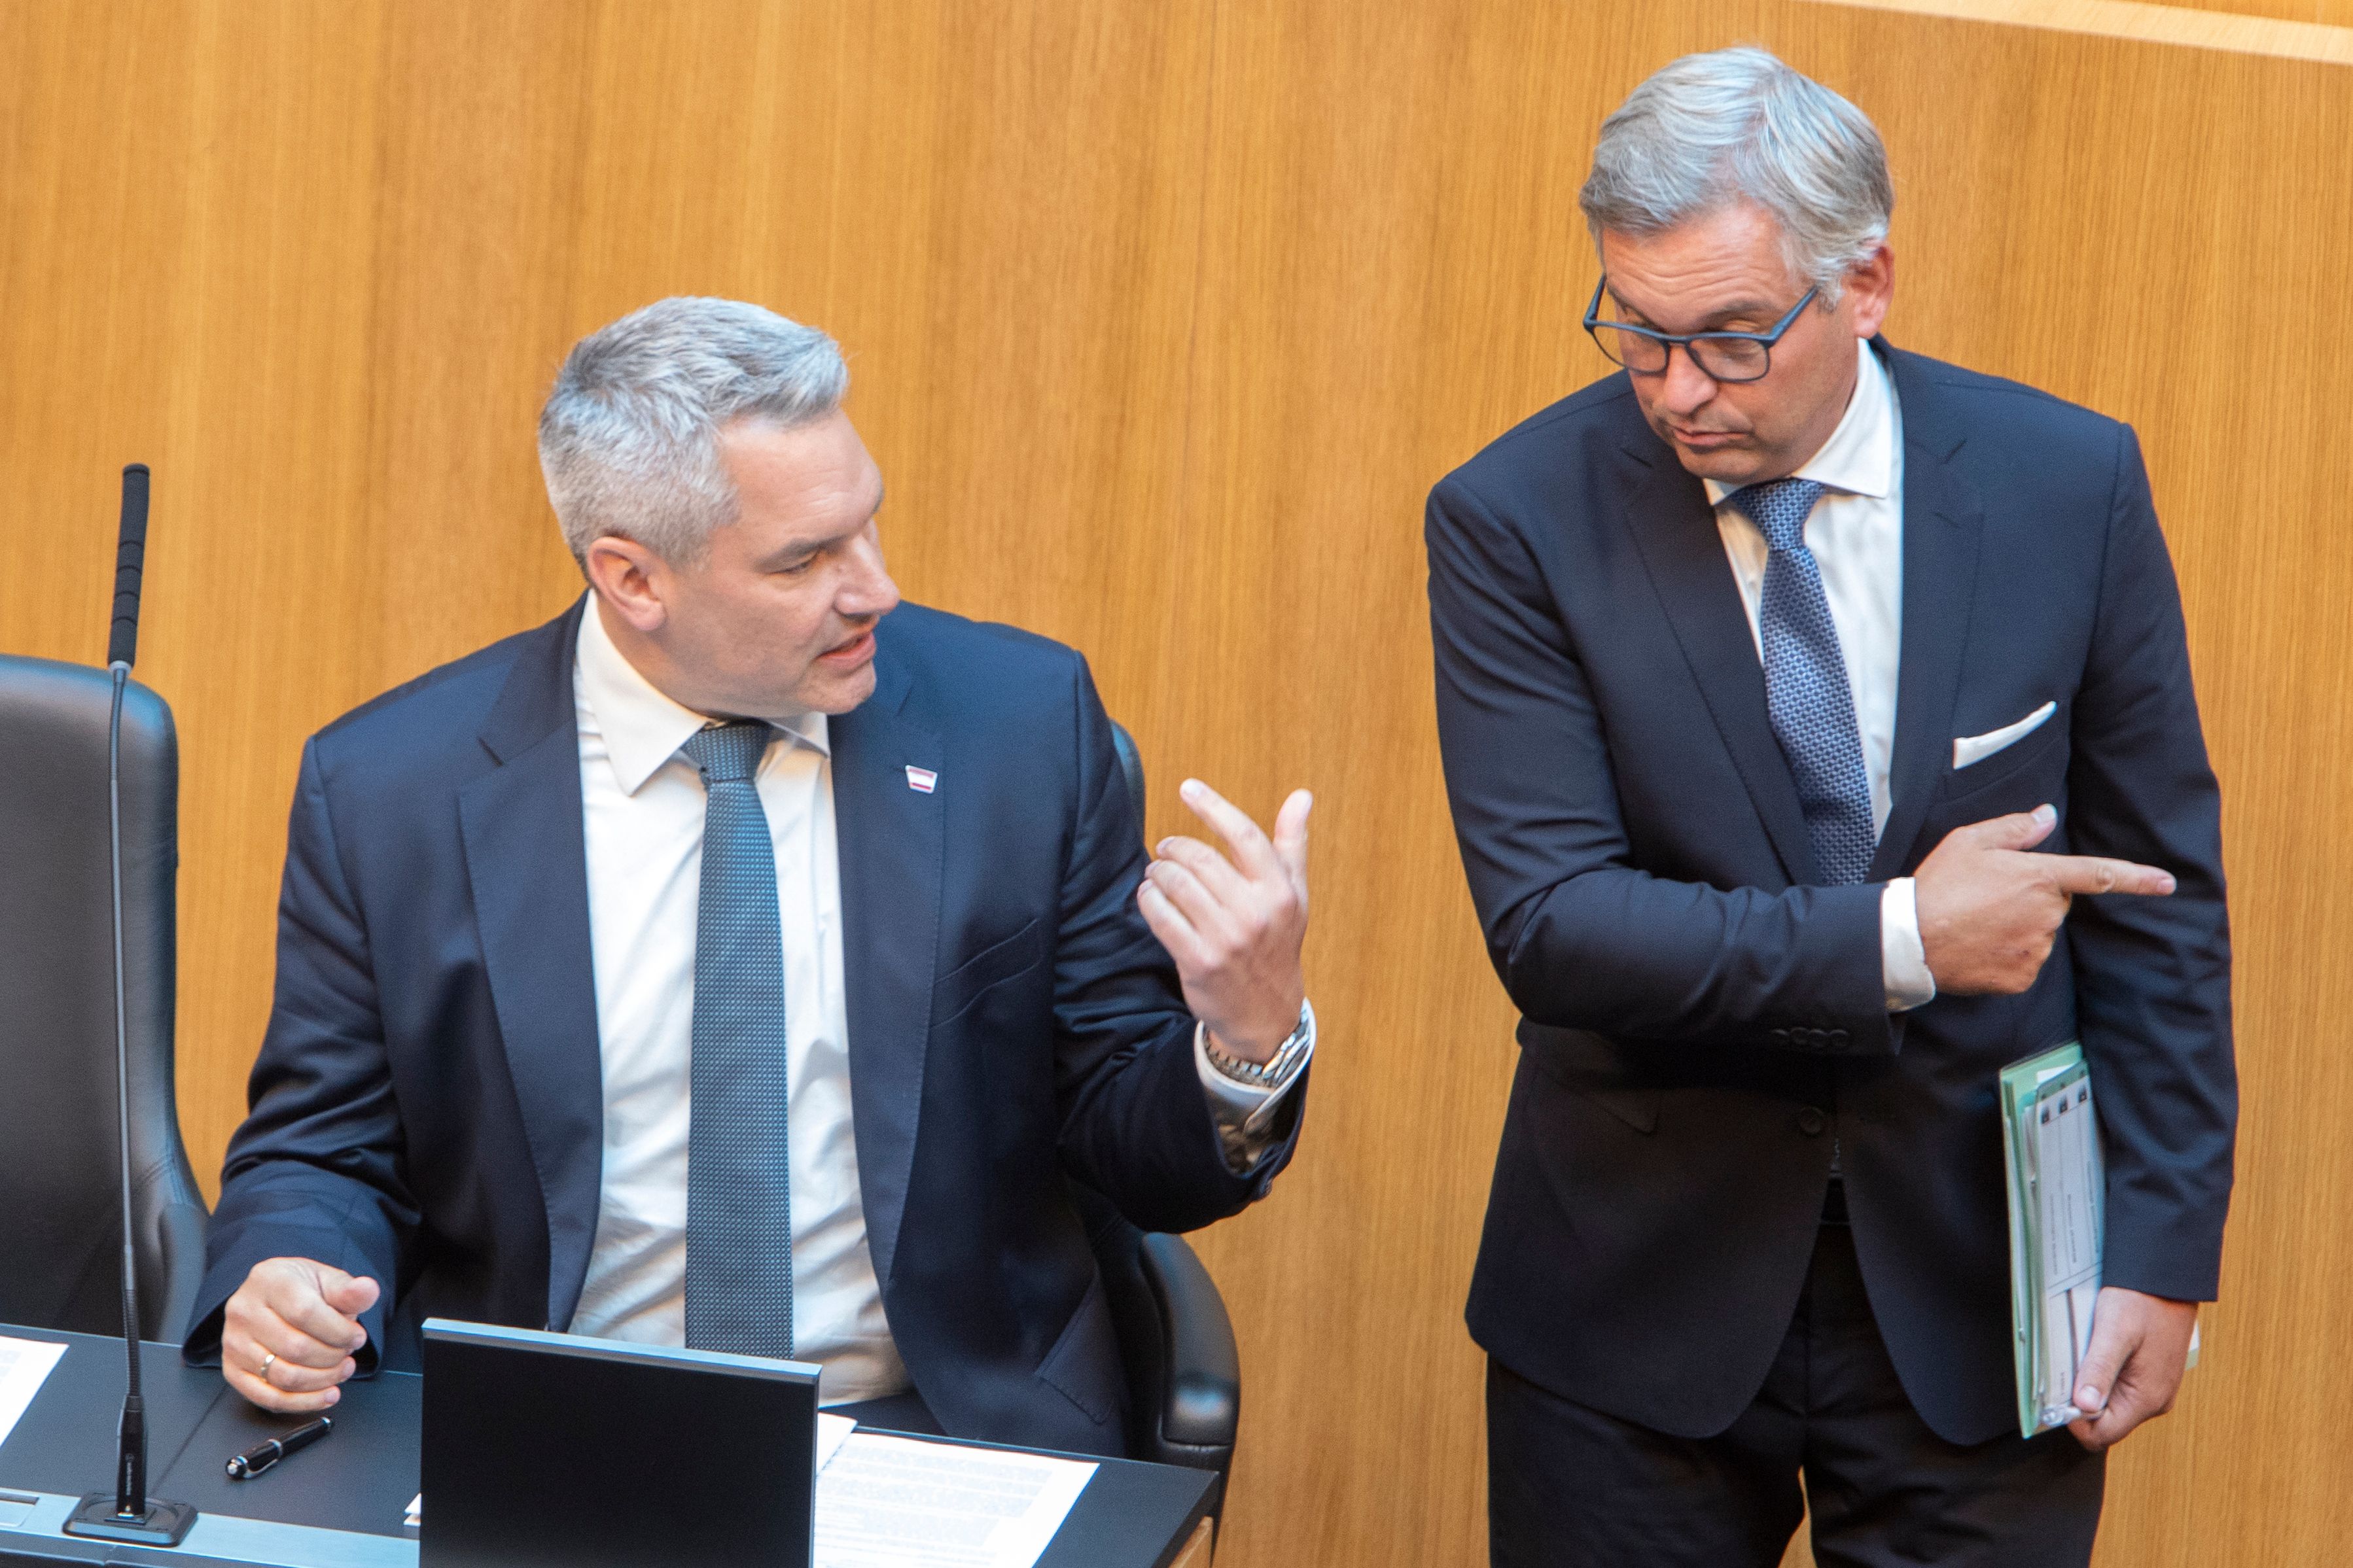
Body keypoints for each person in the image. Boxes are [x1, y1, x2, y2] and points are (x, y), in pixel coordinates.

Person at [184, 296, 1318, 1457]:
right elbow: (321, 1148)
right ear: (633, 578)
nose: (874, 588)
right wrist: (287, 1276)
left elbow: (1136, 1153)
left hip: (927, 1431)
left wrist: (1245, 1040)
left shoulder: (1019, 731)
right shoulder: (392, 791)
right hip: (546, 1430)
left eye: (867, 526)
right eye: (806, 559)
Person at [1425, 48, 2233, 1567]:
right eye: (1636, 330)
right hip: (1632, 1303)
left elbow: (2155, 902)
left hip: (1988, 1299)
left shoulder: (2068, 485)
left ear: (1865, 282)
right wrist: (1900, 937)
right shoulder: (1514, 517)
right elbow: (1554, 924)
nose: (1676, 390)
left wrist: (2162, 1245)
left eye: (1731, 338)